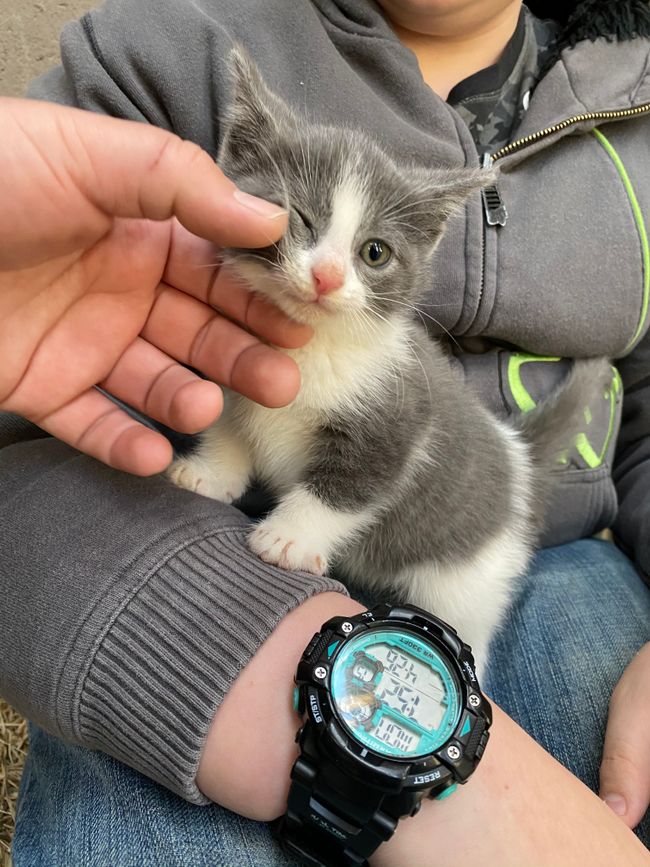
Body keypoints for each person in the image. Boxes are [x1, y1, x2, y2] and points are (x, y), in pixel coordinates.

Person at [0, 0, 649, 864]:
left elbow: (375, 453)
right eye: (304, 226)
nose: (328, 270)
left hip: (495, 542)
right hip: (177, 558)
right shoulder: (182, 37)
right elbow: (213, 403)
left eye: (371, 254)